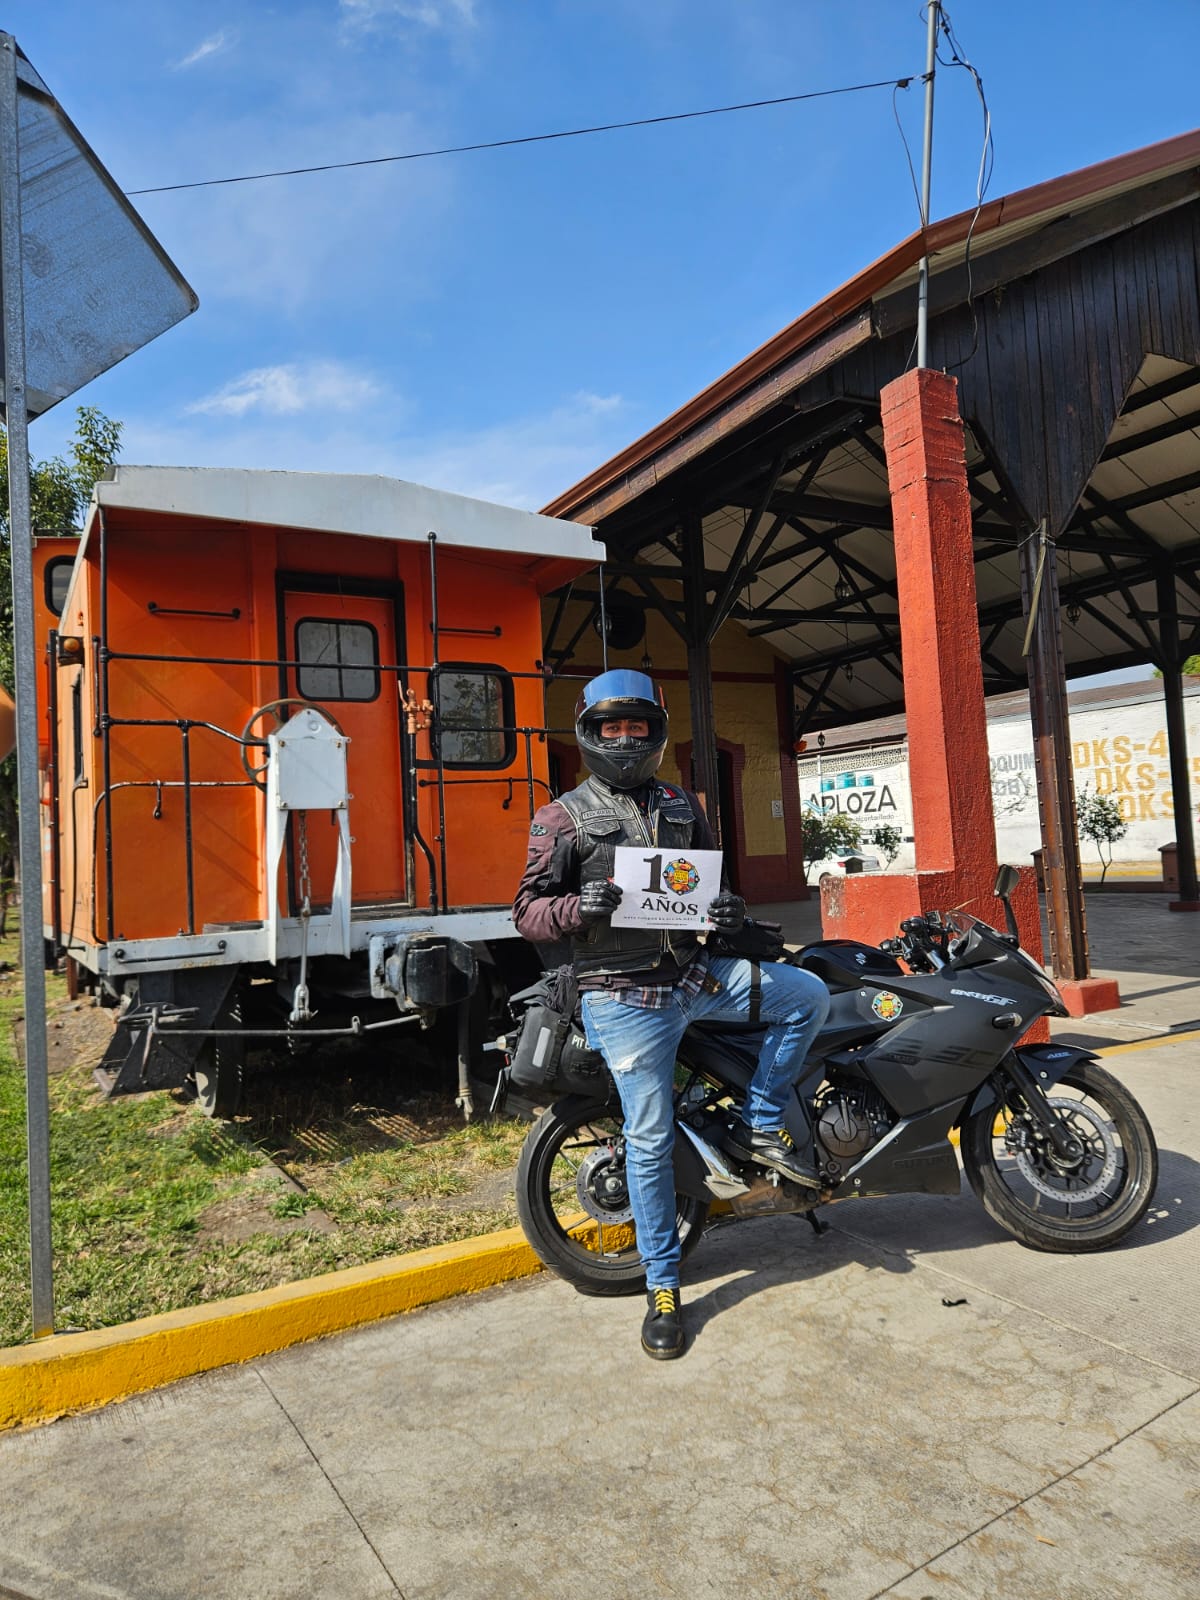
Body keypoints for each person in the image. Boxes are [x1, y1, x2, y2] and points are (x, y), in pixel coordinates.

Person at [513, 668, 831, 1361]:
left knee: (804, 997)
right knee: (650, 1138)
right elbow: (525, 913)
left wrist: (727, 912)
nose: (624, 738)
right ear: (589, 733)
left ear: (656, 731)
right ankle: (663, 1285)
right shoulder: (560, 816)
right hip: (622, 997)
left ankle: (765, 1122)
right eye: (609, 727)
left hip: (697, 977)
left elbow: (714, 888)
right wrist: (575, 908)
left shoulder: (683, 805)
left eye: (637, 726)